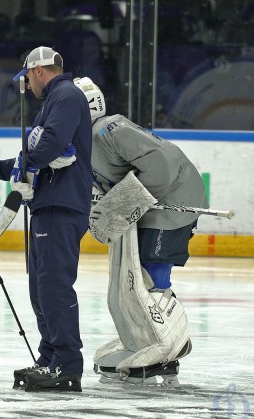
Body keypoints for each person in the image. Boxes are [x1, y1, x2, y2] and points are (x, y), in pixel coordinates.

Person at [0, 46, 92, 392]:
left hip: (60, 207)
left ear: (39, 71)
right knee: (40, 287)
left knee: (53, 286)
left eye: (27, 77)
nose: (27, 84)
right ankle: (50, 357)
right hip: (48, 205)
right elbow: (33, 158)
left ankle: (66, 362)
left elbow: (47, 147)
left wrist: (27, 163)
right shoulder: (54, 100)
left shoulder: (65, 95)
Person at [75, 76, 207, 387]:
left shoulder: (109, 129)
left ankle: (169, 347)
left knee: (148, 275)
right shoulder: (82, 141)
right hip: (150, 203)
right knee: (129, 277)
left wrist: (122, 204)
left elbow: (161, 165)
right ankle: (145, 341)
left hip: (174, 199)